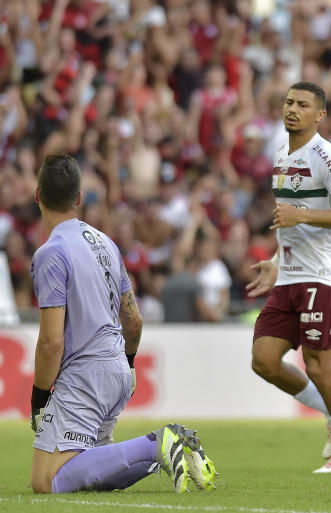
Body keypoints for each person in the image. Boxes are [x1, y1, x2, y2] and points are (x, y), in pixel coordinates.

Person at [29, 154, 217, 494]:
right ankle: (170, 447)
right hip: (116, 368)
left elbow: (51, 342)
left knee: (47, 481)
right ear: (79, 198)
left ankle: (159, 443)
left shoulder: (50, 253)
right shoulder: (106, 244)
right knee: (96, 463)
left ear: (37, 195)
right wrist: (128, 365)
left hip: (84, 375)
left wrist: (39, 399)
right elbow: (133, 318)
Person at [245, 82, 331, 472]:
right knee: (264, 360)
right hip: (290, 276)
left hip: (321, 277)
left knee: (318, 367)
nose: (292, 109)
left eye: (302, 105)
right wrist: (277, 261)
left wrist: (304, 215)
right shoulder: (281, 152)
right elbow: (290, 221)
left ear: (320, 115)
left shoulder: (326, 157)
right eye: (288, 102)